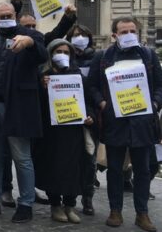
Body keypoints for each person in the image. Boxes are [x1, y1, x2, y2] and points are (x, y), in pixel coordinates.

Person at [87, 17, 161, 232]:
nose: (128, 34)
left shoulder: (148, 56)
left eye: (132, 30)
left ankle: (142, 213)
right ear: (114, 35)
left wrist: (155, 104)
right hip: (114, 122)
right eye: (123, 31)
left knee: (143, 170)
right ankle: (115, 211)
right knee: (114, 170)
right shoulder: (103, 57)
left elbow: (159, 85)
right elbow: (92, 86)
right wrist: (102, 103)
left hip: (142, 122)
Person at [0, 2, 47, 223]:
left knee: (22, 157)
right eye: (1, 15)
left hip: (17, 106)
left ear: (15, 16)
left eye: (9, 15)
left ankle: (26, 203)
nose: (6, 18)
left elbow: (43, 55)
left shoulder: (30, 35)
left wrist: (29, 43)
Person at [33, 39, 95, 224]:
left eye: (66, 52)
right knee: (53, 168)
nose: (62, 55)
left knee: (73, 169)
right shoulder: (43, 75)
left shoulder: (79, 77)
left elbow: (88, 101)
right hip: (51, 132)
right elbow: (36, 104)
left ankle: (70, 205)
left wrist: (90, 116)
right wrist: (42, 87)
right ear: (51, 54)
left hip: (74, 131)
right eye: (58, 51)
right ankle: (55, 205)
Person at [65, 23, 99, 215]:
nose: (79, 38)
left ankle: (87, 198)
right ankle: (68, 198)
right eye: (75, 35)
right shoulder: (63, 59)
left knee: (89, 161)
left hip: (89, 118)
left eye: (83, 35)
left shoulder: (98, 59)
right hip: (67, 117)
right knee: (69, 160)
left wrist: (93, 115)